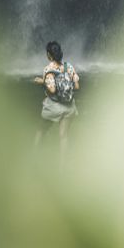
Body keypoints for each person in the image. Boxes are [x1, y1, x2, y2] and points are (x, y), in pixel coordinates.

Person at [33, 40, 79, 169]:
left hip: (53, 107)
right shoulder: (68, 66)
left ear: (49, 55)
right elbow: (76, 85)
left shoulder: (48, 70)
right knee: (63, 136)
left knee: (41, 130)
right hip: (69, 107)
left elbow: (52, 90)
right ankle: (62, 167)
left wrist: (43, 82)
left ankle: (33, 157)